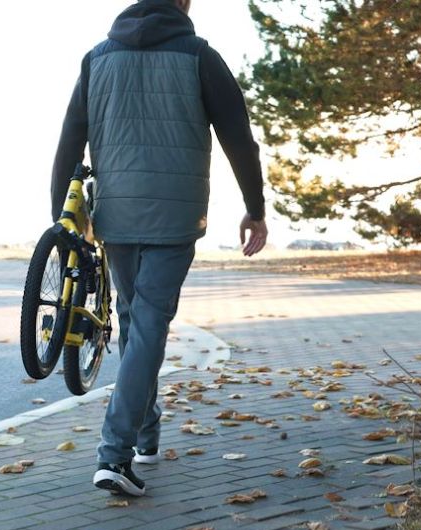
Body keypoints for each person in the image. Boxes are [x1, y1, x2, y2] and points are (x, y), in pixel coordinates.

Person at [50, 0, 267, 496]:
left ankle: (146, 433)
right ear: (184, 3)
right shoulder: (200, 57)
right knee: (146, 324)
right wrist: (255, 208)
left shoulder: (97, 58)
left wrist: (59, 223)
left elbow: (69, 142)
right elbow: (240, 139)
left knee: (135, 319)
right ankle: (114, 455)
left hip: (116, 217)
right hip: (175, 215)